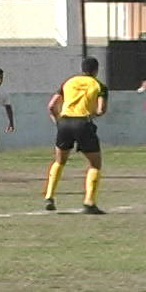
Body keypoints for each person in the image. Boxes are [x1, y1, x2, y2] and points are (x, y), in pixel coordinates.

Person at [43, 57, 108, 215]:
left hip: (64, 122)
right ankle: (89, 202)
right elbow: (101, 110)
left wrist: (58, 122)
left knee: (60, 161)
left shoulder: (69, 82)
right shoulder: (99, 85)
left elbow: (51, 106)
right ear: (96, 70)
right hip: (83, 123)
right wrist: (91, 115)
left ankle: (49, 196)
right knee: (95, 164)